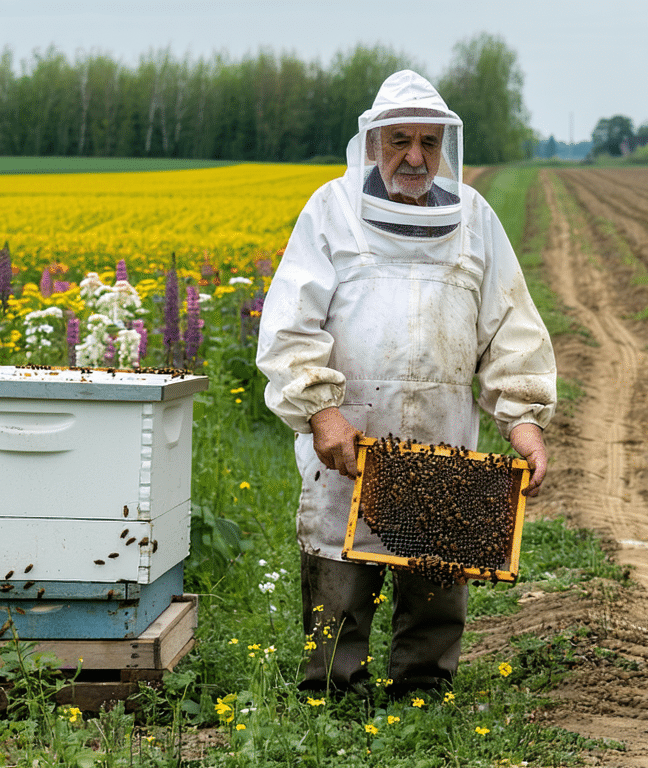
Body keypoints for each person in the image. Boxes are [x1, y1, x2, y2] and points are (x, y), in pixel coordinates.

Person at [255, 70, 557, 699]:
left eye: (427, 142)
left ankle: (421, 697)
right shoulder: (331, 213)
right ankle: (334, 704)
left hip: (443, 441)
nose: (414, 158)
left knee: (437, 588)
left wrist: (523, 420)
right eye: (399, 142)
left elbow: (510, 326)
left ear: (444, 147)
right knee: (338, 589)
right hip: (347, 441)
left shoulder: (473, 220)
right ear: (372, 144)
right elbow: (290, 326)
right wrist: (322, 413)